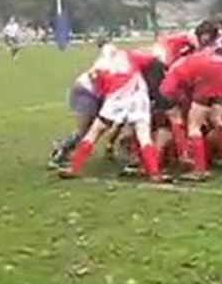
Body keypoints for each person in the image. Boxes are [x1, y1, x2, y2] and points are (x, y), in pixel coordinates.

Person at [59, 46, 164, 182]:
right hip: (139, 98)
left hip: (116, 99)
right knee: (144, 136)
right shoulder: (129, 55)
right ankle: (155, 173)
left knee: (94, 132)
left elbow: (100, 88)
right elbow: (152, 60)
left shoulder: (100, 65)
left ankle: (74, 168)